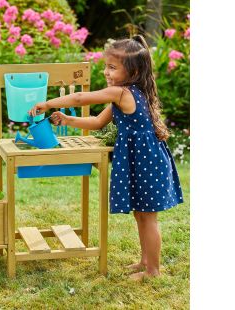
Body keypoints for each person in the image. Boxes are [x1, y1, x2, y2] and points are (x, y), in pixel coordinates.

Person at [29, 35, 183, 280]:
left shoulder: (122, 93)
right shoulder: (123, 96)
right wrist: (69, 120)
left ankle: (153, 271)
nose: (106, 72)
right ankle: (145, 261)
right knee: (140, 213)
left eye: (112, 67)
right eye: (106, 66)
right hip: (142, 161)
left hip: (147, 162)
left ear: (132, 71)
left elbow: (80, 98)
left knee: (148, 216)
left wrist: (47, 103)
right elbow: (98, 122)